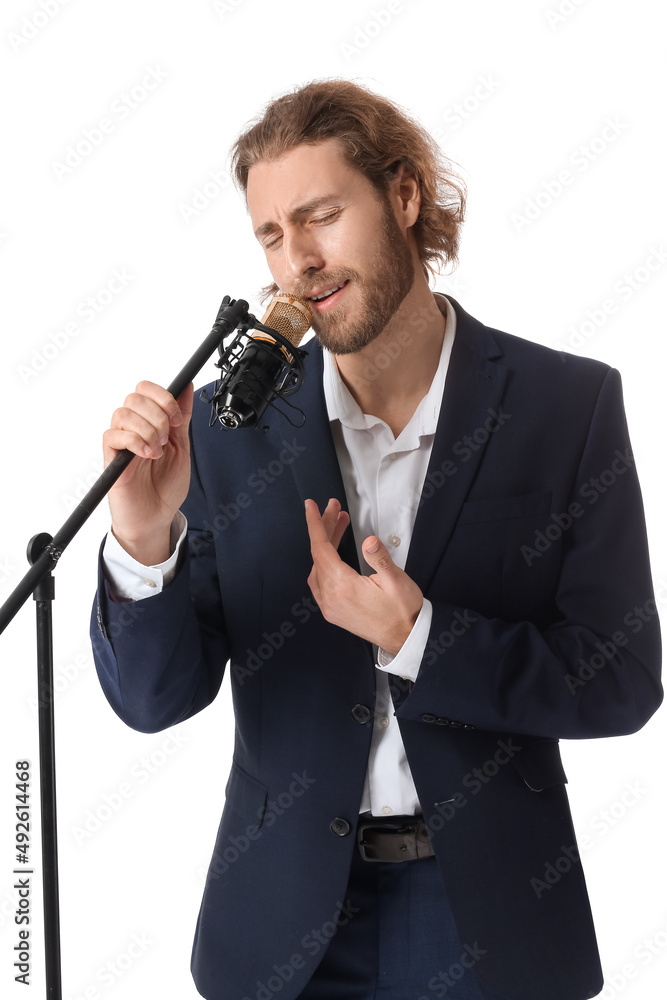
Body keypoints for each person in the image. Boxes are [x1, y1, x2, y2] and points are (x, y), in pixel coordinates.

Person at [91, 80, 662, 1000]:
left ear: (403, 197)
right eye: (271, 236)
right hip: (282, 934)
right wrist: (143, 534)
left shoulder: (567, 406)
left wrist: (421, 639)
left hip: (490, 923)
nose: (298, 261)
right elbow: (155, 702)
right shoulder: (227, 432)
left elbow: (622, 680)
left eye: (320, 216)